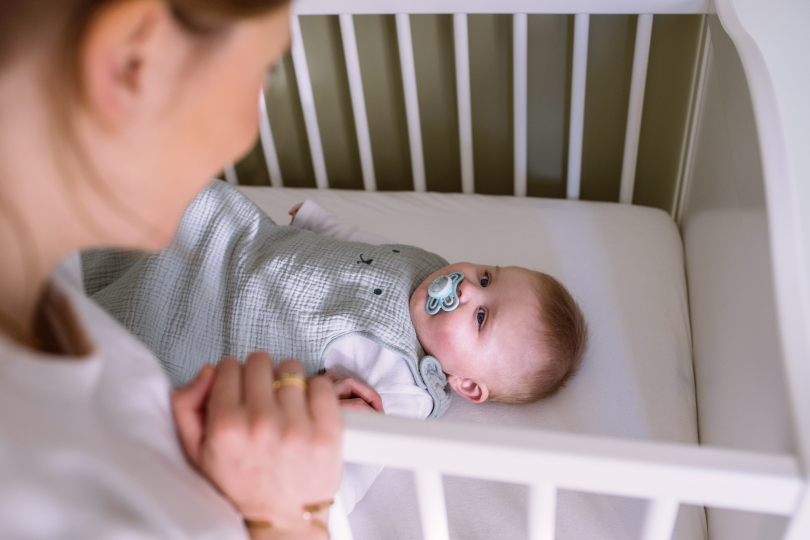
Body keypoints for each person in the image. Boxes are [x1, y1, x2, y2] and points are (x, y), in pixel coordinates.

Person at [0, 1, 343, 539]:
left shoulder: (39, 263)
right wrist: (287, 521)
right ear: (135, 60)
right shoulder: (54, 507)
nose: (251, 129)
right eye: (266, 68)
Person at [81, 180, 587, 512]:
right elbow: (364, 248)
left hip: (222, 320)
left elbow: (349, 462)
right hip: (244, 243)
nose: (468, 288)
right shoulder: (429, 264)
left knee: (138, 320)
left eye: (480, 316)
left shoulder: (406, 387)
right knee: (191, 201)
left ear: (468, 384)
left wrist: (312, 501)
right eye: (486, 275)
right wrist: (316, 220)